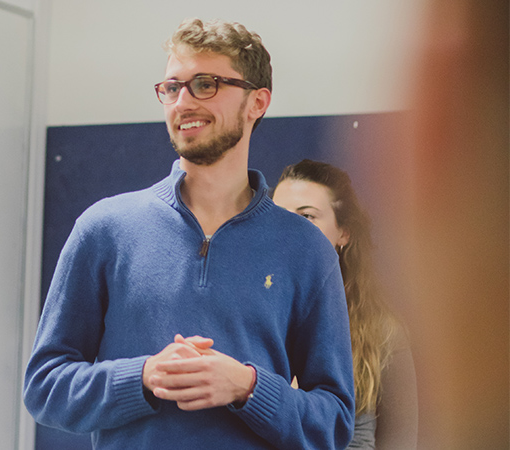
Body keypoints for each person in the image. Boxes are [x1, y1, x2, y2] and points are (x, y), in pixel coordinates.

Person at [24, 18, 355, 449]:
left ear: (257, 102)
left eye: (205, 84)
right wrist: (143, 377)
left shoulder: (306, 249)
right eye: (171, 87)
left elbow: (334, 423)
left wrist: (249, 388)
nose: (183, 101)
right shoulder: (104, 229)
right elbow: (45, 388)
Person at [273, 159, 419, 449]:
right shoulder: (249, 318)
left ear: (344, 233)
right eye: (277, 216)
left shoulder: (381, 332)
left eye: (306, 217)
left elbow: (402, 441)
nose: (288, 230)